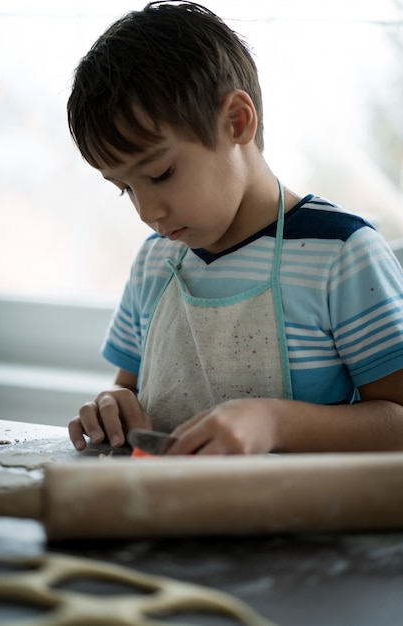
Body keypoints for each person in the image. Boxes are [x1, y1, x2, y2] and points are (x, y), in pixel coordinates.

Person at [67, 1, 403, 455]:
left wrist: (275, 422)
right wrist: (113, 405)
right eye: (124, 188)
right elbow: (129, 392)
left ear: (236, 121)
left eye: (161, 174)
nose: (147, 211)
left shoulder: (341, 252)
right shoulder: (155, 261)